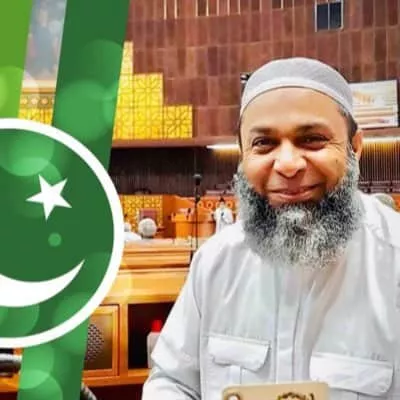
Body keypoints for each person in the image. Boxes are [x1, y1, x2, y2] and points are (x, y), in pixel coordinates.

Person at [141, 58, 400, 400]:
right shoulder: (216, 262)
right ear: (243, 156)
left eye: (312, 139)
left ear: (355, 148)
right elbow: (173, 381)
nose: (288, 165)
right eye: (264, 143)